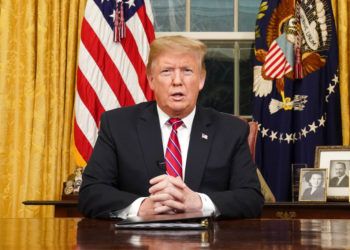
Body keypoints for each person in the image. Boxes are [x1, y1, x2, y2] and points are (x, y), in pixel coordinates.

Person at [78, 35, 264, 219]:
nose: (177, 81)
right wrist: (141, 208)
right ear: (151, 79)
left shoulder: (231, 130)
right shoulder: (118, 125)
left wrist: (199, 203)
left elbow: (251, 198)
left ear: (201, 79)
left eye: (187, 71)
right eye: (167, 71)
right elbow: (91, 193)